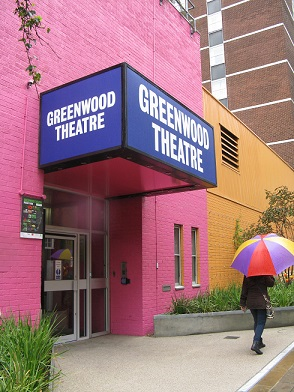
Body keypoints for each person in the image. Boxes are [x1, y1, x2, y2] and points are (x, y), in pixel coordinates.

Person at [240, 275, 275, 355]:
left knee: (257, 321)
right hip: (261, 302)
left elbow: (244, 289)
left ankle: (259, 341)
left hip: (251, 302)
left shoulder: (248, 274)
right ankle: (255, 343)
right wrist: (270, 276)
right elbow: (271, 284)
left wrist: (242, 303)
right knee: (261, 322)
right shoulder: (264, 274)